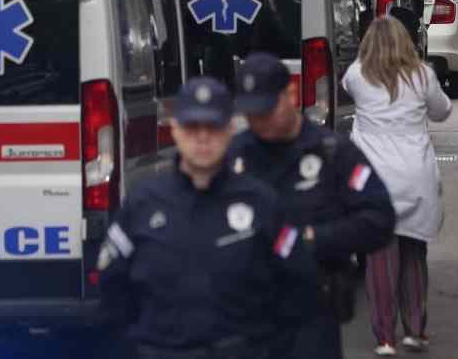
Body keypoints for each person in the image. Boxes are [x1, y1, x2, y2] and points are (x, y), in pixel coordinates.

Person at [98, 76, 318, 359]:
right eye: (192, 126)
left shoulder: (261, 202)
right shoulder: (142, 204)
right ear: (175, 129)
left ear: (230, 130)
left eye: (213, 126)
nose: (203, 137)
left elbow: (299, 286)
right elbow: (112, 293)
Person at [230, 53, 396, 359]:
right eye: (251, 114)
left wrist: (311, 240)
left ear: (290, 95)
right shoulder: (235, 157)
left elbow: (380, 219)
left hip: (311, 317)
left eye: (267, 111)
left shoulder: (332, 153)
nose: (259, 122)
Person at [341, 17, 452, 356]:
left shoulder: (357, 75)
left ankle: (385, 337)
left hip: (375, 180)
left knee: (378, 260)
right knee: (413, 255)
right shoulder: (422, 75)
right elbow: (443, 112)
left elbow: (347, 91)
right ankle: (415, 330)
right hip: (414, 176)